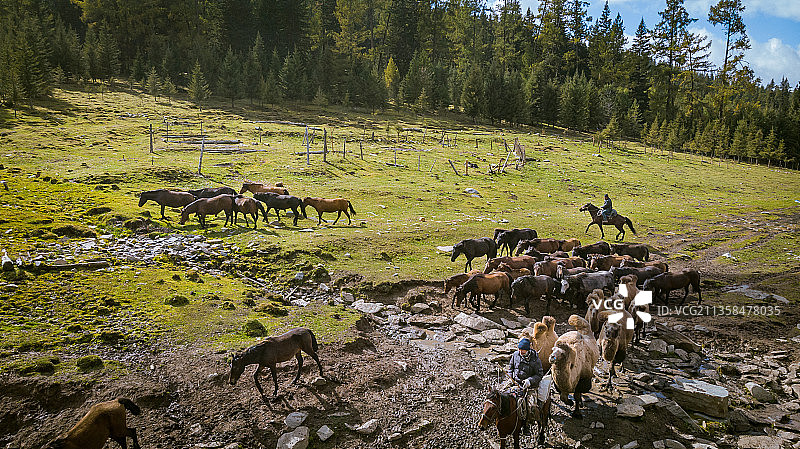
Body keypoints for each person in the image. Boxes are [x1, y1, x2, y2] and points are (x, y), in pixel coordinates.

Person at [501, 338, 544, 428]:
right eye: (519, 349)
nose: (520, 351)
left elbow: (539, 375)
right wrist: (510, 377)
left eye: (523, 350)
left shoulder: (535, 360)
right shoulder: (515, 355)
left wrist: (529, 381)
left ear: (528, 350)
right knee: (500, 396)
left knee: (531, 406)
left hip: (530, 387)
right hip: (515, 383)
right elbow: (511, 367)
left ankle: (528, 423)